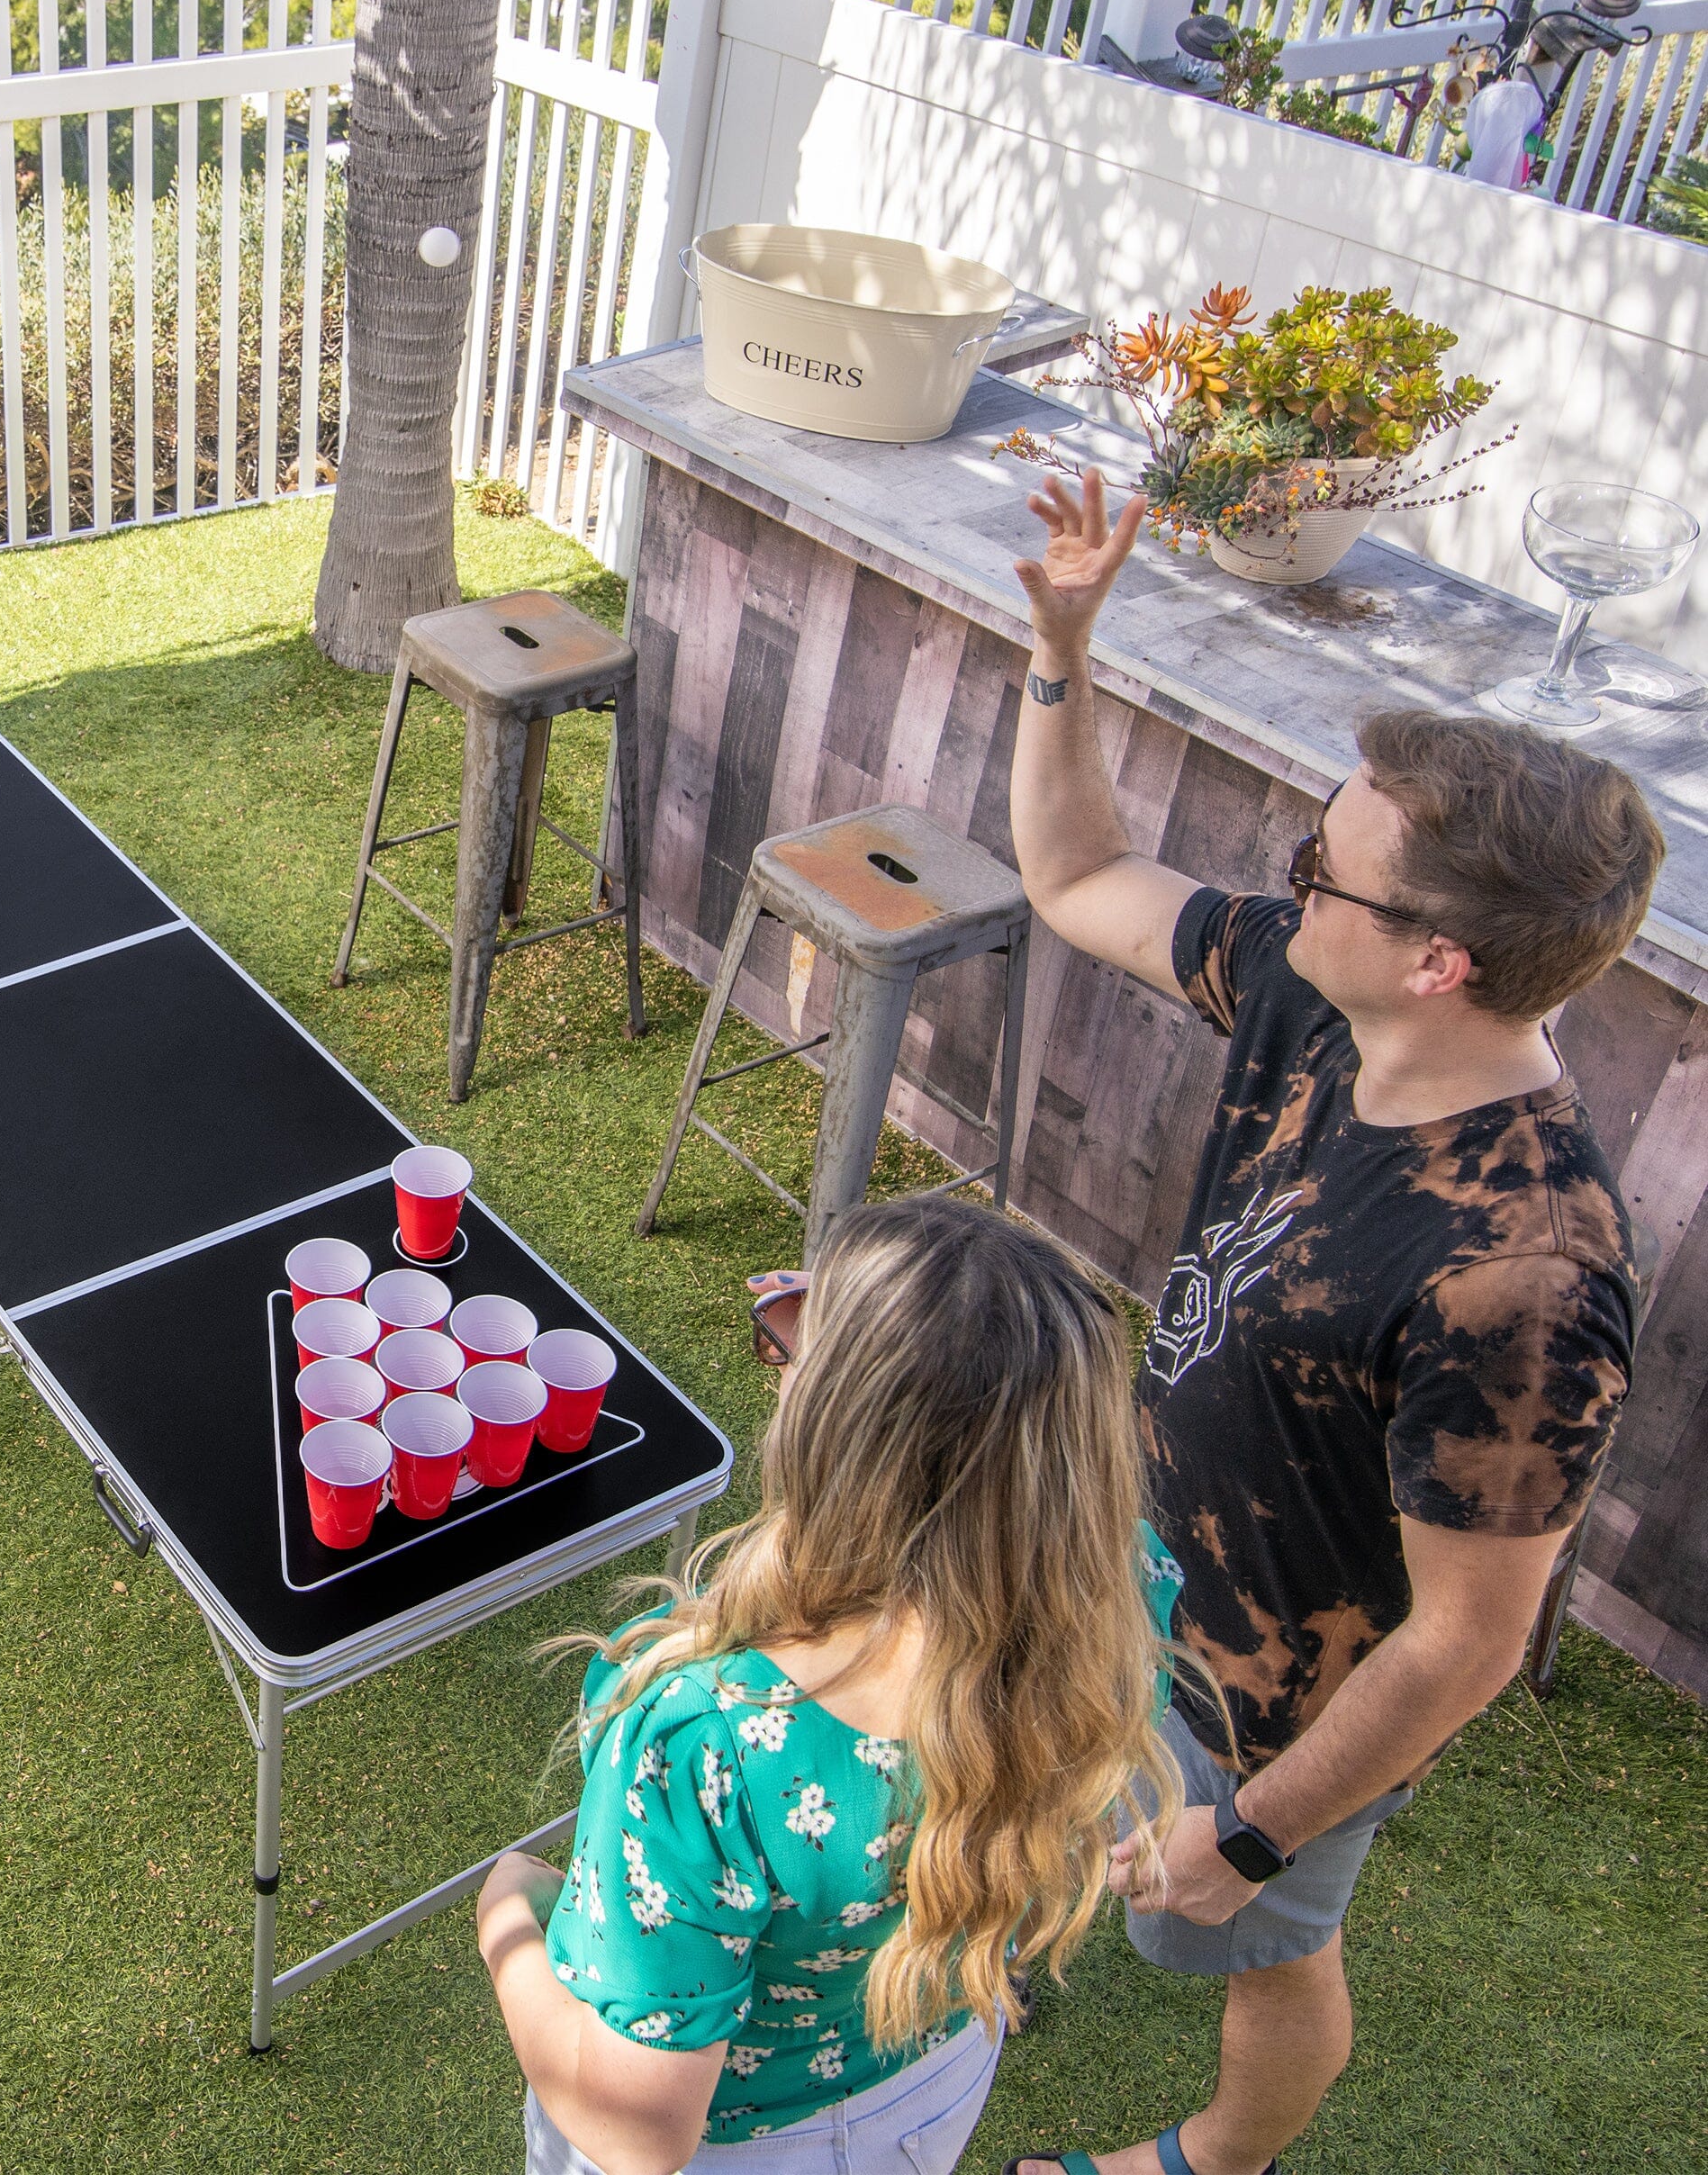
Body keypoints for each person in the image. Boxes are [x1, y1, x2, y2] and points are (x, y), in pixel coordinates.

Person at [999, 467, 1660, 2175]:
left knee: (1252, 1950)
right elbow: (1079, 879)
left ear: (1439, 959)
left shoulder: (1525, 1274)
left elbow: (1465, 1642)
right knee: (1047, 1775)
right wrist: (1063, 650)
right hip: (1139, 1568)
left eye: (1322, 867)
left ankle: (1222, 2158)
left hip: (1282, 1711)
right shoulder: (1314, 986)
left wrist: (1268, 1838)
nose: (1287, 889)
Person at [479, 1195, 1190, 2175]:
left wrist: (507, 1921)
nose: (779, 1345)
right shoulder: (1126, 1590)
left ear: (841, 1428)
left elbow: (636, 2128)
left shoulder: (706, 1741)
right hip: (929, 2081)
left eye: (803, 1343)